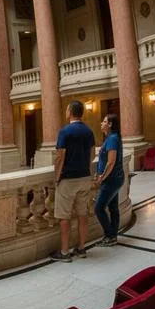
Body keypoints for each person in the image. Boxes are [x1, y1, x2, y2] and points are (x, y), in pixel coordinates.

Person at [51, 101, 95, 262]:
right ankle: (81, 248)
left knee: (64, 217)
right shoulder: (88, 131)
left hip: (68, 179)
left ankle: (64, 252)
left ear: (70, 112)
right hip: (84, 177)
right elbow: (92, 154)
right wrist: (86, 170)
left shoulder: (65, 131)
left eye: (66, 109)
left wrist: (57, 176)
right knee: (83, 214)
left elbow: (60, 156)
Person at [94, 114, 124, 247]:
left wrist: (101, 177)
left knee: (99, 208)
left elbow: (111, 162)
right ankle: (113, 237)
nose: (101, 123)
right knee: (113, 208)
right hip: (115, 178)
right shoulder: (112, 138)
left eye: (104, 121)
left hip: (111, 179)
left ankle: (110, 236)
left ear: (110, 124)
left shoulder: (112, 139)